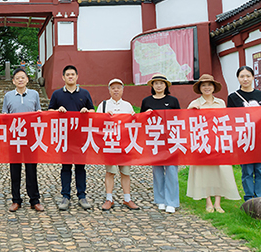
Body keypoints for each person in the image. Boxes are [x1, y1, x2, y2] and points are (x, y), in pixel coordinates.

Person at [186, 74, 241, 212]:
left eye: (209, 85)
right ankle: (208, 202)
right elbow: (186, 123)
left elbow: (227, 121)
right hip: (203, 143)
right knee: (205, 172)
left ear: (213, 87)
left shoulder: (221, 103)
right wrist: (193, 113)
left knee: (220, 171)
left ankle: (218, 202)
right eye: (203, 85)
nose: (207, 88)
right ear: (200, 88)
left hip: (219, 142)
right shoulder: (194, 104)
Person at [226, 66, 261, 201]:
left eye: (248, 76)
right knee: (247, 170)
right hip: (244, 138)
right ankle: (249, 198)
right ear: (238, 78)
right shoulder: (233, 97)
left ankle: (260, 197)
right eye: (242, 76)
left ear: (253, 77)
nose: (245, 79)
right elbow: (231, 118)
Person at [48, 65, 95, 211]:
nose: (70, 77)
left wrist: (87, 111)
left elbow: (93, 110)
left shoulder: (85, 93)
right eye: (67, 75)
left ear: (77, 76)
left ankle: (82, 195)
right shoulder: (57, 94)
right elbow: (49, 111)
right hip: (64, 137)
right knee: (66, 167)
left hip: (81, 137)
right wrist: (57, 111)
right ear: (63, 77)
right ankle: (65, 196)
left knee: (81, 167)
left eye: (72, 74)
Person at [3, 67, 44, 212]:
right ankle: (16, 200)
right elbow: (4, 116)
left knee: (31, 169)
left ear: (27, 80)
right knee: (15, 170)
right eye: (17, 78)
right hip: (14, 138)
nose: (20, 80)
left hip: (31, 138)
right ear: (13, 81)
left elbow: (38, 113)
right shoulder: (8, 96)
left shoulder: (34, 94)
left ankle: (35, 200)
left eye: (23, 77)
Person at [96, 79, 140, 211]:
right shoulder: (103, 105)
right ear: (109, 90)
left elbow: (133, 125)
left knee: (125, 172)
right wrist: (105, 117)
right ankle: (109, 198)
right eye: (113, 88)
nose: (116, 90)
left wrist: (134, 117)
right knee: (110, 172)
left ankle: (127, 199)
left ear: (122, 90)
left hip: (125, 144)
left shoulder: (128, 106)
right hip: (110, 144)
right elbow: (96, 124)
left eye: (118, 88)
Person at [140, 74, 181, 214]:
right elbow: (140, 121)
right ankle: (161, 200)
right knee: (157, 172)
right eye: (156, 83)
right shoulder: (146, 101)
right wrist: (146, 114)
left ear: (166, 86)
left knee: (171, 171)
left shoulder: (173, 101)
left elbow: (180, 120)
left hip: (170, 140)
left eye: (161, 83)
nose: (158, 86)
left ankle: (172, 201)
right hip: (155, 140)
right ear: (152, 86)